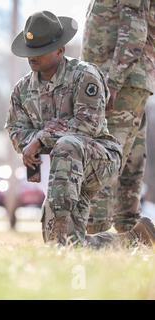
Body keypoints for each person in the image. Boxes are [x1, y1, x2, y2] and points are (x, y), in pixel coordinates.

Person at [5, 11, 155, 247]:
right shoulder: (22, 90)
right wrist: (29, 145)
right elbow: (15, 128)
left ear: (60, 50)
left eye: (40, 51)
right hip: (60, 169)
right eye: (30, 51)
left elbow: (88, 124)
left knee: (68, 144)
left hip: (99, 160)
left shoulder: (85, 75)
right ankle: (134, 240)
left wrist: (41, 139)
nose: (33, 58)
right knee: (63, 244)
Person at [82, 0, 154, 233]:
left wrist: (112, 82)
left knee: (105, 156)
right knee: (129, 159)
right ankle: (130, 233)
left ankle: (97, 234)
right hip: (128, 81)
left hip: (120, 82)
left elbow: (135, 28)